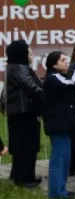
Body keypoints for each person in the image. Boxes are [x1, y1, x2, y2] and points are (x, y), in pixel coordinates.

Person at [43, 50, 75, 199]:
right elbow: (71, 83)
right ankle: (56, 192)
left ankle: (61, 189)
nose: (66, 62)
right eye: (62, 60)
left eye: (66, 59)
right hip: (57, 125)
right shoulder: (52, 78)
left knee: (65, 159)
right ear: (54, 64)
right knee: (59, 159)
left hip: (65, 125)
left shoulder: (60, 77)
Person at [4, 40, 43, 188]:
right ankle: (25, 179)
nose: (32, 55)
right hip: (25, 113)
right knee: (27, 146)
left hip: (19, 112)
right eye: (29, 52)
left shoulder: (12, 67)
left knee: (21, 146)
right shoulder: (20, 68)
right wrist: (48, 92)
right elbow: (32, 88)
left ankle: (22, 175)